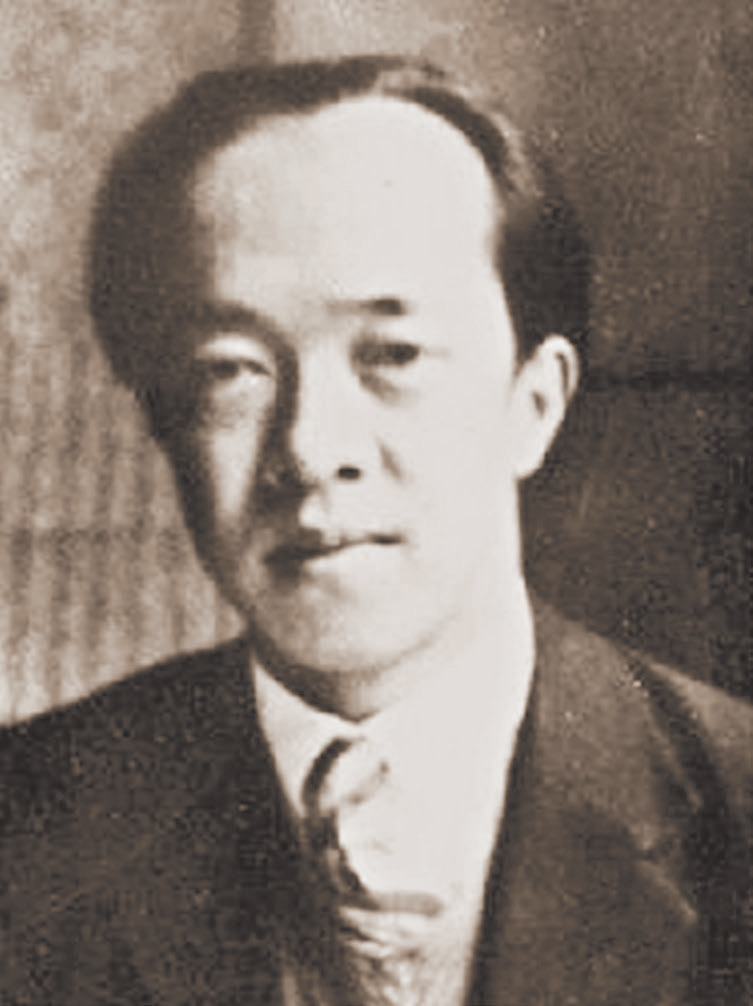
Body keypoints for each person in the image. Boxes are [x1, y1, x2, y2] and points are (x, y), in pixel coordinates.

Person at [0, 55, 749, 1006]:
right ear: (162, 419)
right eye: (231, 370)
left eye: (392, 354)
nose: (311, 450)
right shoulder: (29, 821)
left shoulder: (734, 810)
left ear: (535, 401)